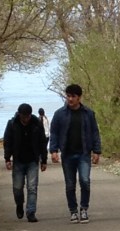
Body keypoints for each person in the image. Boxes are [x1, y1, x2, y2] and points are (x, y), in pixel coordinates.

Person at [49, 84, 102, 223]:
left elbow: (94, 132)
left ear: (79, 97)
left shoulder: (88, 113)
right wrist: (53, 150)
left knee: (85, 181)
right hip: (67, 154)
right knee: (70, 184)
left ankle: (84, 209)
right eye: (68, 96)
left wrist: (97, 151)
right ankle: (73, 211)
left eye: (73, 96)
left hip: (84, 153)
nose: (70, 99)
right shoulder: (59, 114)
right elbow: (54, 132)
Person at [3, 103, 48, 223]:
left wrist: (44, 160)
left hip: (33, 160)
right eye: (23, 116)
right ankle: (19, 204)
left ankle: (31, 212)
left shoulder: (36, 124)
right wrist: (7, 158)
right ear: (19, 114)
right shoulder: (12, 124)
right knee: (17, 188)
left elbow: (43, 142)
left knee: (32, 187)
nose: (26, 119)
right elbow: (7, 142)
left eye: (28, 116)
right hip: (18, 161)